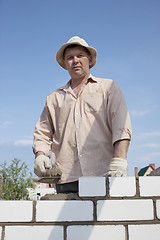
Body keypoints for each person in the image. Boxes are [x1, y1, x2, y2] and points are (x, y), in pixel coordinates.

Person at [33, 36, 132, 194]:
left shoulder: (109, 89)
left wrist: (120, 159)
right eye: (70, 58)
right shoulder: (53, 99)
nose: (75, 61)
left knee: (107, 219)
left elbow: (121, 126)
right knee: (70, 219)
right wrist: (40, 155)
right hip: (66, 179)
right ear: (65, 64)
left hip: (104, 174)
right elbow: (42, 133)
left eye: (80, 55)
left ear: (90, 59)